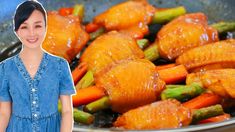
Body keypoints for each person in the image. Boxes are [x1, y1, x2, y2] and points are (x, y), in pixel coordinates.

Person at [0, 0, 76, 132]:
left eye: (37, 26)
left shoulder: (60, 66)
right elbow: (4, 113)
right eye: (24, 27)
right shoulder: (5, 68)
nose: (32, 33)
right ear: (16, 31)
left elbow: (67, 112)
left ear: (46, 28)